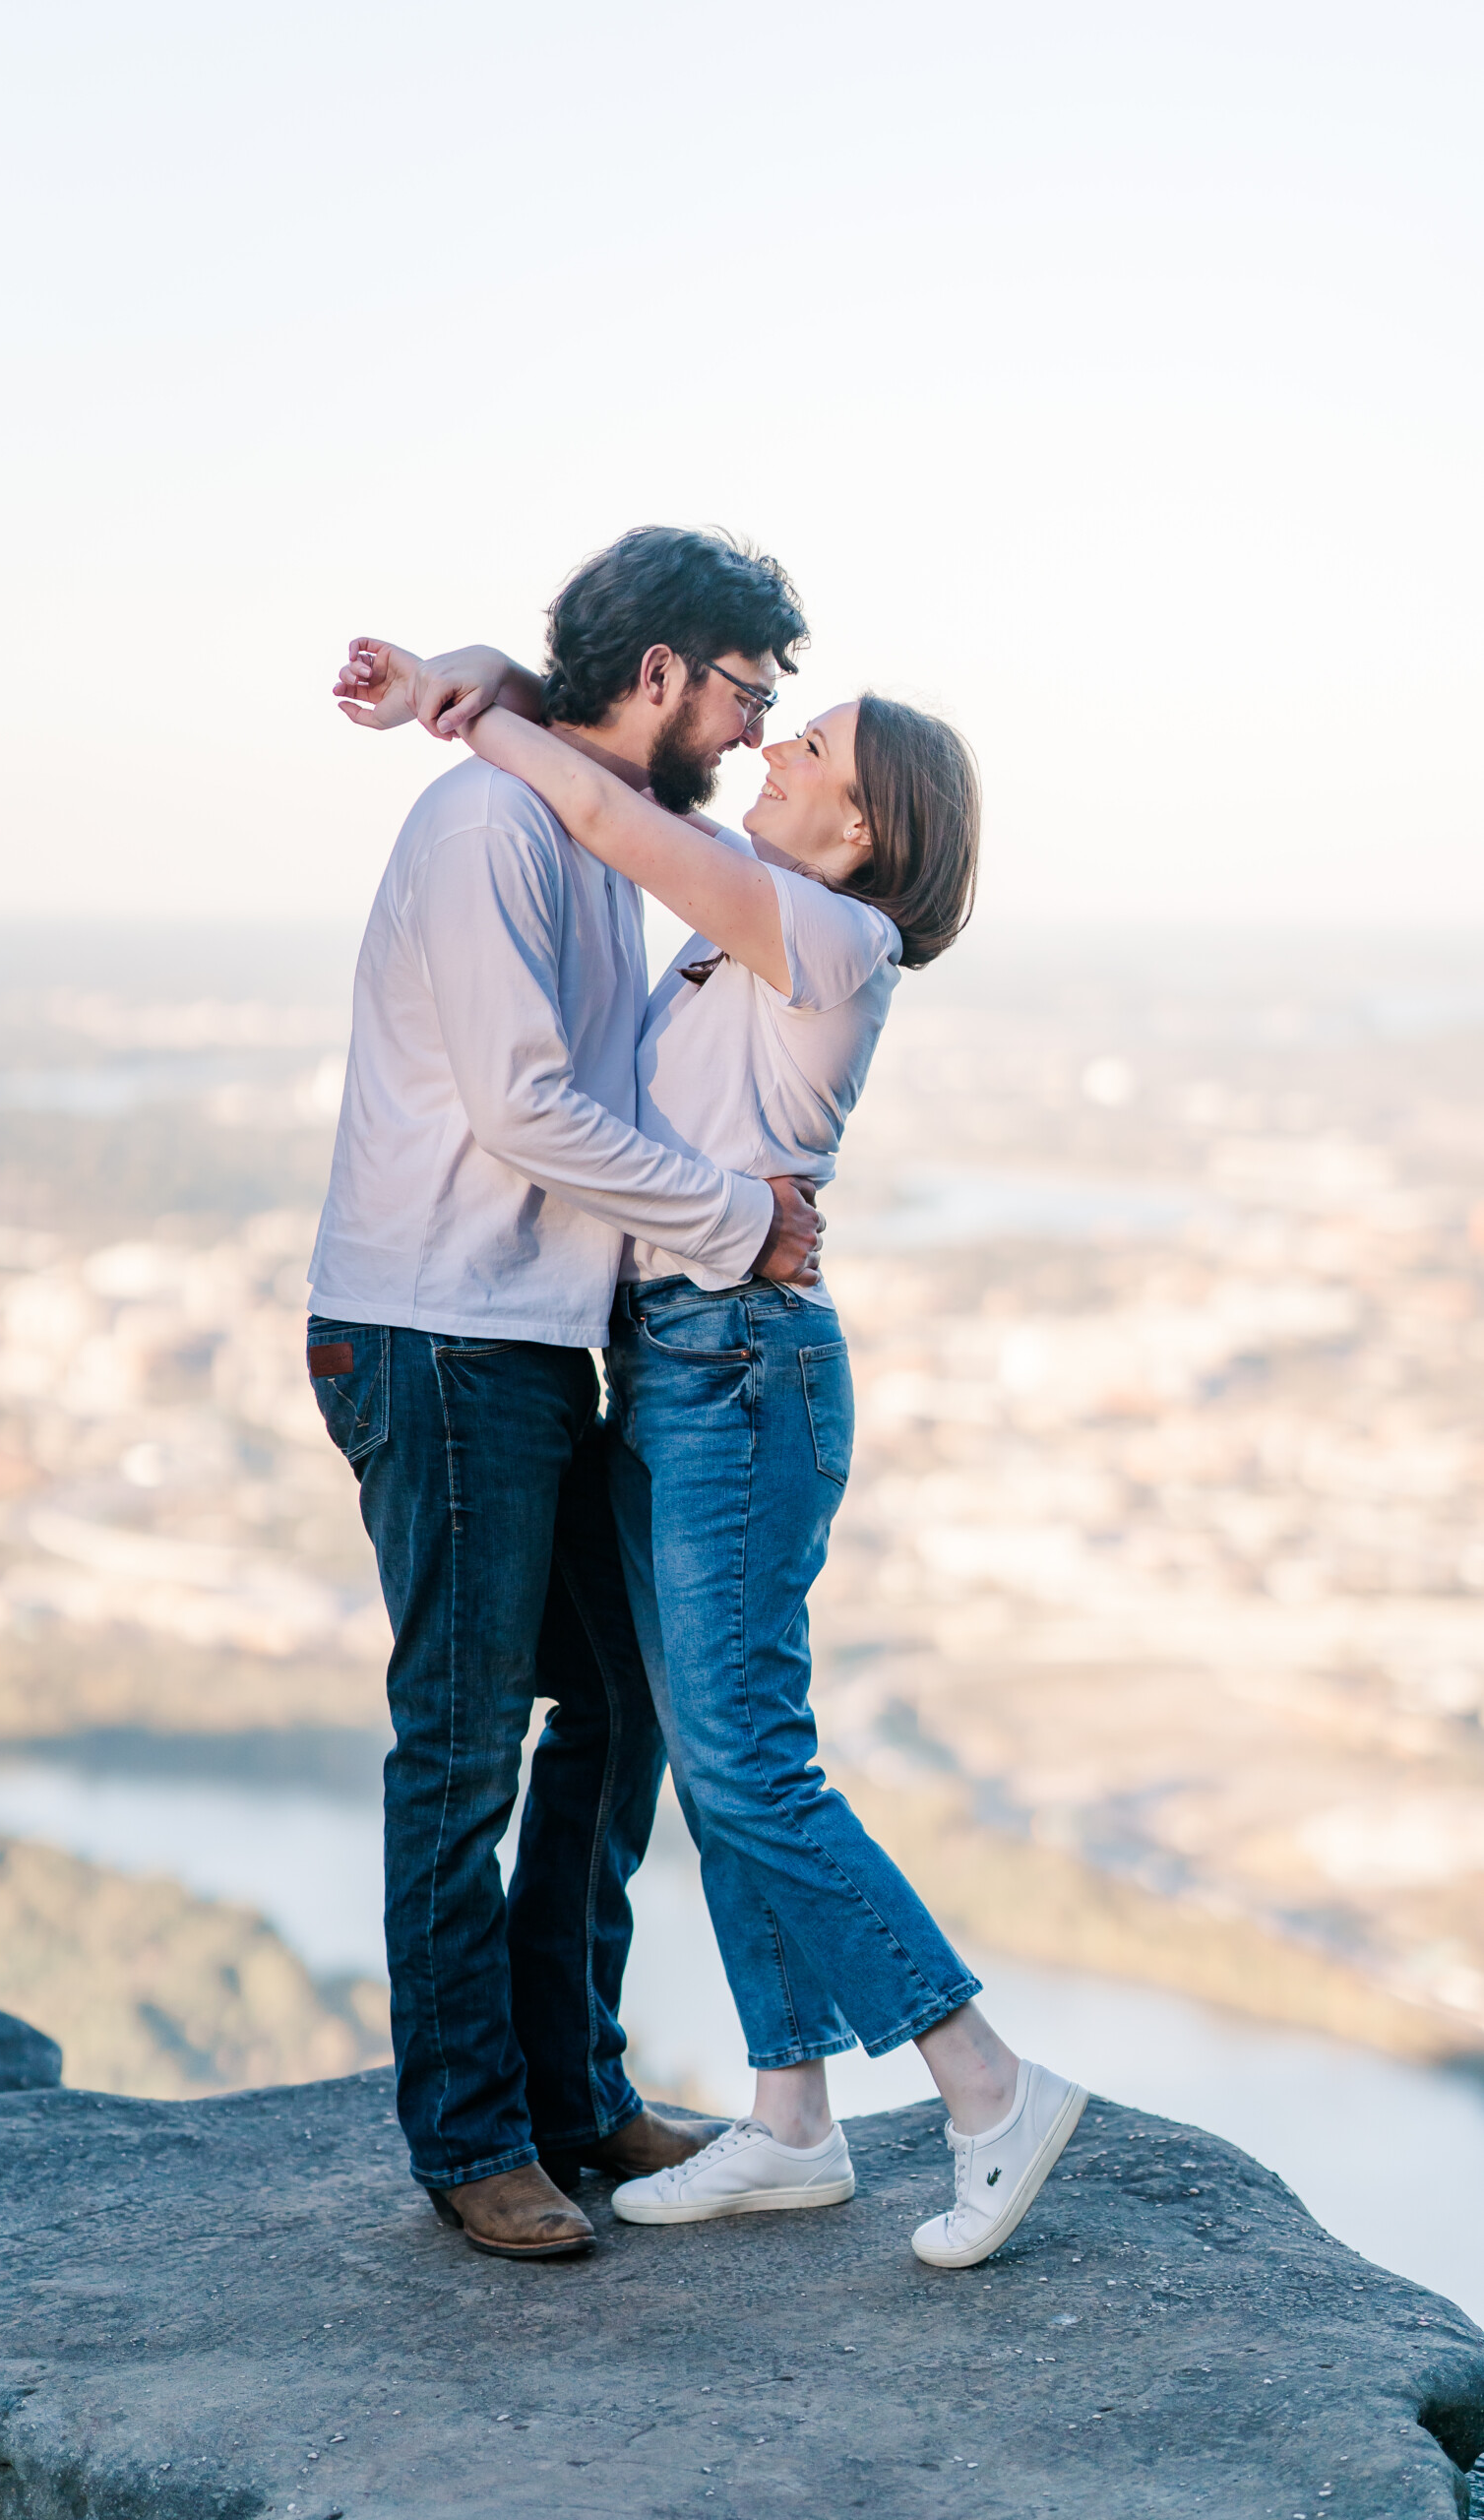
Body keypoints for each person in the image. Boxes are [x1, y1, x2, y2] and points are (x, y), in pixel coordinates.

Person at [339, 628, 1087, 2272]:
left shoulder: (825, 932)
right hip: (663, 1358)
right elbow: (625, 760)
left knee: (749, 1759)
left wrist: (471, 717)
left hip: (738, 1371)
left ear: (867, 823)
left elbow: (614, 817)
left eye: (805, 747)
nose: (769, 757)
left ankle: (985, 2084)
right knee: (691, 1735)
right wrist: (499, 683)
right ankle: (792, 2121)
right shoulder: (749, 940)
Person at [310, 528, 825, 2262]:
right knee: (460, 1750)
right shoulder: (486, 833)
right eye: (750, 692)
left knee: (622, 1710)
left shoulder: (598, 837)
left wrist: (496, 688)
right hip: (437, 1333)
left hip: (531, 1336)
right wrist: (743, 1226)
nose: (758, 735)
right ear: (666, 671)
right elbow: (528, 1108)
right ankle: (472, 2138)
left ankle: (570, 2087)